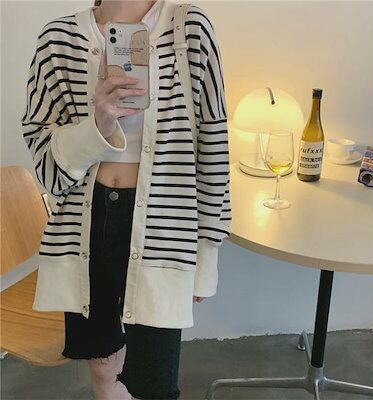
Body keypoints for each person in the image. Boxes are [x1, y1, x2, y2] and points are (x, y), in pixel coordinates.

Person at [21, 0, 231, 399]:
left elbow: (213, 145)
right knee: (102, 366)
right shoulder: (58, 39)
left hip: (164, 229)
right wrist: (98, 125)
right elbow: (49, 171)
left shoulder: (189, 29)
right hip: (86, 229)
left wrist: (207, 255)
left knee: (155, 382)